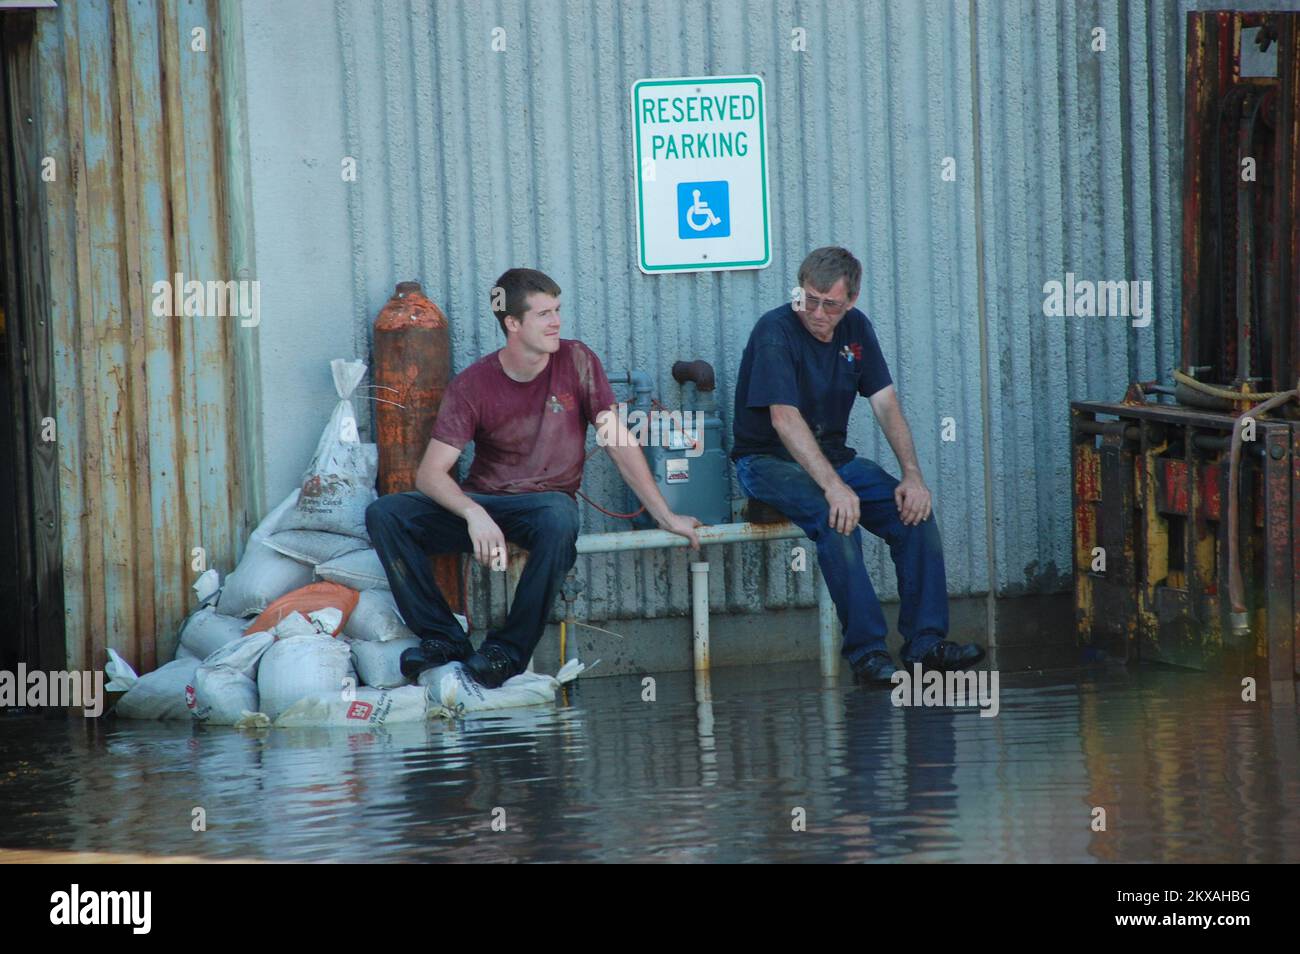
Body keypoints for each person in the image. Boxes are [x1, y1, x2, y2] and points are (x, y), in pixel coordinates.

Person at [366, 268, 701, 689]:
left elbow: (617, 441)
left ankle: (506, 652)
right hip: (485, 502)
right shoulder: (474, 384)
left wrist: (666, 516)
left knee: (560, 516)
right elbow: (431, 474)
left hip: (543, 507)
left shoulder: (577, 361)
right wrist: (473, 512)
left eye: (557, 310)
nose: (556, 322)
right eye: (544, 314)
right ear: (513, 323)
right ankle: (444, 639)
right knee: (386, 514)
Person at [731, 246, 984, 685]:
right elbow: (783, 418)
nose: (817, 312)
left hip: (834, 459)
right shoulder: (775, 331)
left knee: (914, 514)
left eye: (830, 304)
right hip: (767, 461)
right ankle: (868, 654)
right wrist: (832, 487)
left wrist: (913, 477)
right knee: (838, 518)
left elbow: (885, 404)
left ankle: (925, 646)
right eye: (809, 299)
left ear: (851, 300)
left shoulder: (857, 329)